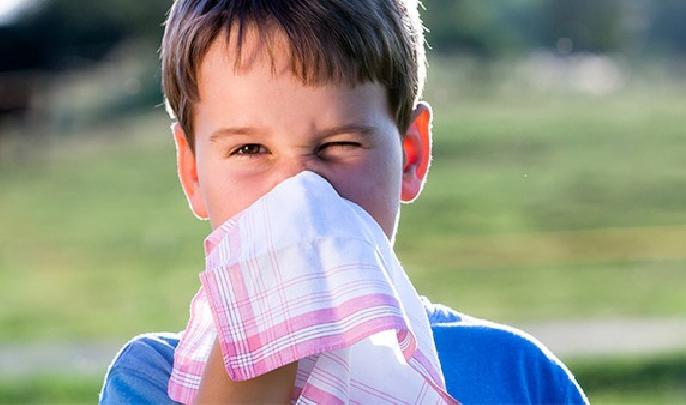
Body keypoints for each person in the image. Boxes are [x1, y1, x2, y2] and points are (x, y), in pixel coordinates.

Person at [100, 0, 587, 403]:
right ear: (193, 173)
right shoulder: (151, 381)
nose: (299, 194)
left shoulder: (517, 377)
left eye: (339, 145)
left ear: (410, 156)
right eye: (249, 149)